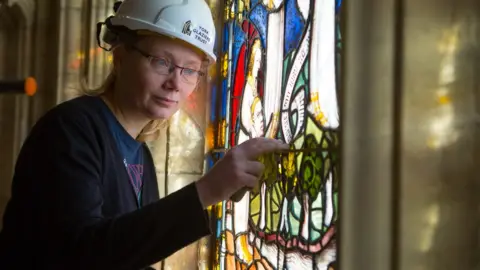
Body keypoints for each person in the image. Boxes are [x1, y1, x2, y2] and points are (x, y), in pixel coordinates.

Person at [0, 0, 288, 269]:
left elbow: (128, 255)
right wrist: (206, 191)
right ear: (121, 57)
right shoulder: (71, 130)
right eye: (162, 62)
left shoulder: (141, 157)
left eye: (190, 70)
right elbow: (81, 254)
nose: (175, 83)